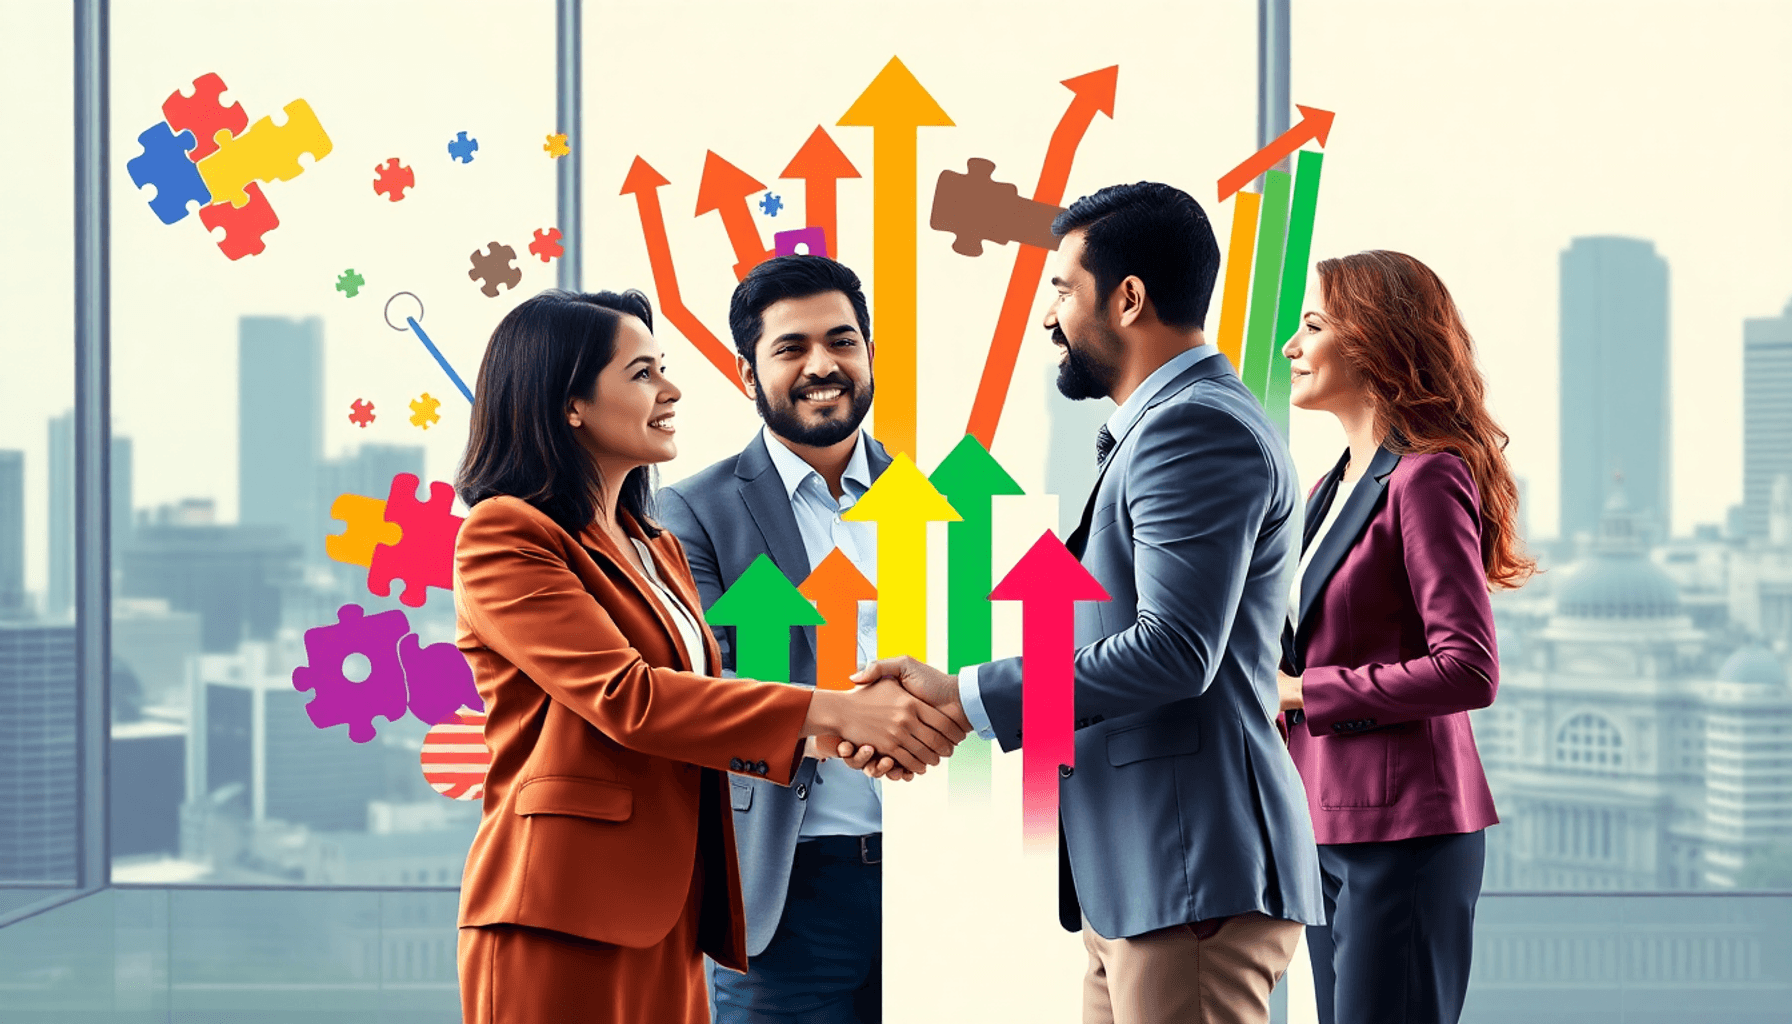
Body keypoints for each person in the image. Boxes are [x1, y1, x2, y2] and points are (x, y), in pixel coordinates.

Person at [854, 182, 1324, 1024]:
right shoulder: (1170, 426)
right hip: (1144, 879)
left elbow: (1174, 650)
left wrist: (966, 698)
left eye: (1063, 290)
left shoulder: (1193, 430)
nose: (1050, 319)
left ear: (1129, 298)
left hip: (1187, 878)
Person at [450, 288, 966, 1024]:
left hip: (667, 906)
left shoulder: (650, 543)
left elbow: (703, 707)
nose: (672, 389)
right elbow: (632, 698)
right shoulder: (507, 534)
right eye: (642, 374)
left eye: (663, 367)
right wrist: (845, 711)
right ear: (571, 404)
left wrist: (874, 733)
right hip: (564, 906)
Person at [1276, 250, 1533, 1024]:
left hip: (1406, 830)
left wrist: (1302, 692)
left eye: (1313, 326)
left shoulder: (1426, 477)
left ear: (1374, 345)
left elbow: (1467, 670)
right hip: (1322, 823)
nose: (1291, 346)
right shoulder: (1324, 491)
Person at [658, 254, 903, 1023]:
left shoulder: (929, 507)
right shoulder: (691, 512)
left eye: (843, 341)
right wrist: (857, 721)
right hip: (787, 887)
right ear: (748, 372)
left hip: (933, 877)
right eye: (791, 348)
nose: (823, 365)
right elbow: (702, 692)